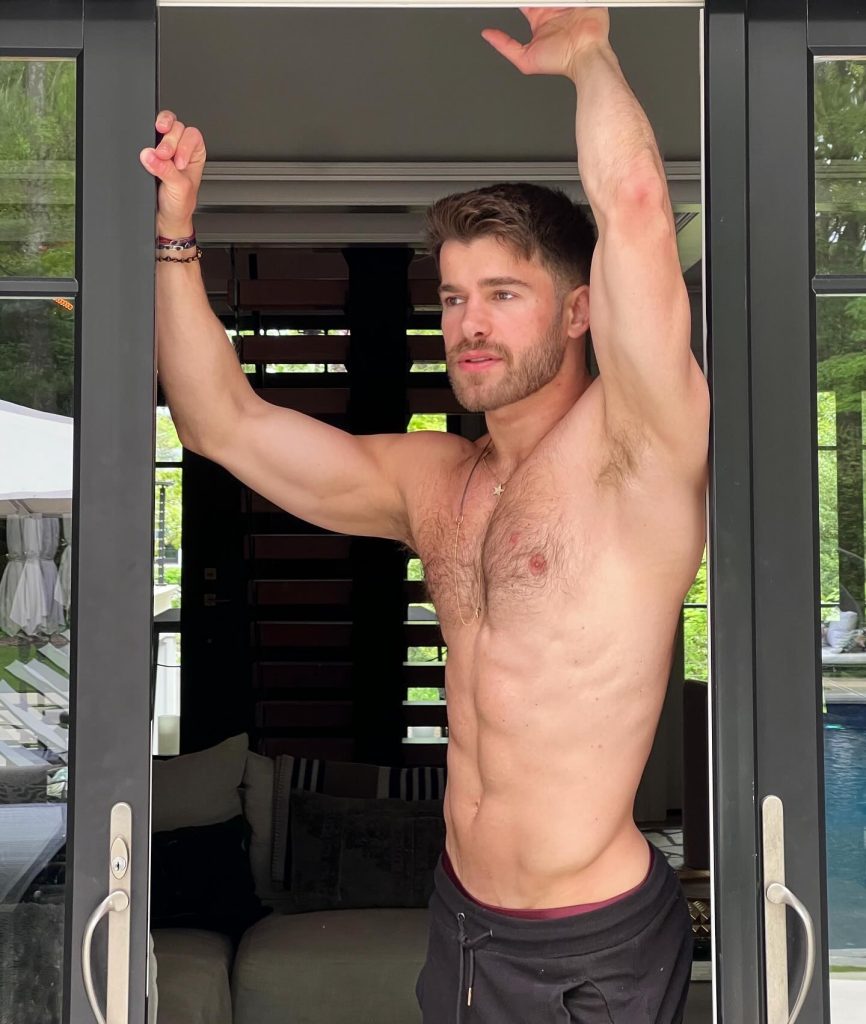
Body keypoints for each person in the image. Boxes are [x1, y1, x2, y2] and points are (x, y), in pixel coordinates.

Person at [140, 6, 709, 1022]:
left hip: (592, 942)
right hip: (463, 921)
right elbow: (221, 422)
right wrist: (175, 236)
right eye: (451, 299)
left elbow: (632, 209)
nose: (469, 325)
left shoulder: (639, 451)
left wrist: (589, 61)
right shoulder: (433, 481)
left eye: (503, 294)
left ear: (579, 310)